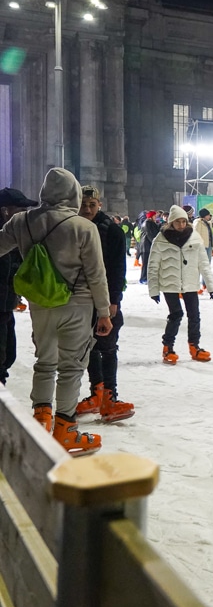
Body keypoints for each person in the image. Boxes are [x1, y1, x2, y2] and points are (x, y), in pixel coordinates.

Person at [0, 168, 112, 455]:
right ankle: (65, 429)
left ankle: (41, 419)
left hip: (40, 303)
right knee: (72, 366)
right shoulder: (83, 227)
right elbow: (96, 274)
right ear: (73, 193)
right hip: (78, 304)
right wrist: (104, 312)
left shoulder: (21, 221)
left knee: (45, 362)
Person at [75, 186, 134, 423]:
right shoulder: (73, 227)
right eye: (83, 204)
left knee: (107, 347)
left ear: (99, 204)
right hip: (78, 298)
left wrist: (113, 301)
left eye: (92, 204)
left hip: (105, 299)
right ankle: (96, 393)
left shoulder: (112, 230)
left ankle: (109, 396)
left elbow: (118, 268)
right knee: (88, 348)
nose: (87, 209)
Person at [148, 205, 213, 364]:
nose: (181, 225)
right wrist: (153, 290)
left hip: (190, 282)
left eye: (183, 221)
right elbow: (153, 266)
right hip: (169, 282)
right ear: (171, 222)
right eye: (177, 222)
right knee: (176, 314)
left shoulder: (194, 237)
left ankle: (194, 346)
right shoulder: (160, 239)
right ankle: (168, 347)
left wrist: (211, 286)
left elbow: (203, 264)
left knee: (194, 315)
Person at [0, 188, 37, 386]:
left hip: (7, 305)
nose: (25, 214)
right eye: (20, 209)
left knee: (8, 355)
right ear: (6, 210)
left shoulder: (16, 233)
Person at [193, 208, 213, 292]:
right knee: (199, 266)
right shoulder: (198, 223)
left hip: (208, 246)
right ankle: (196, 286)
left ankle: (205, 284)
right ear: (204, 215)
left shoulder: (208, 223)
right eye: (208, 214)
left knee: (207, 266)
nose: (209, 216)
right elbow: (195, 235)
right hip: (201, 247)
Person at [139, 209, 159, 284]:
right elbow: (150, 234)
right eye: (155, 216)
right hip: (146, 247)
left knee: (148, 263)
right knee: (146, 263)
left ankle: (147, 277)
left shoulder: (151, 223)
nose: (156, 217)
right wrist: (155, 243)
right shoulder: (147, 223)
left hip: (148, 246)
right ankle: (143, 278)